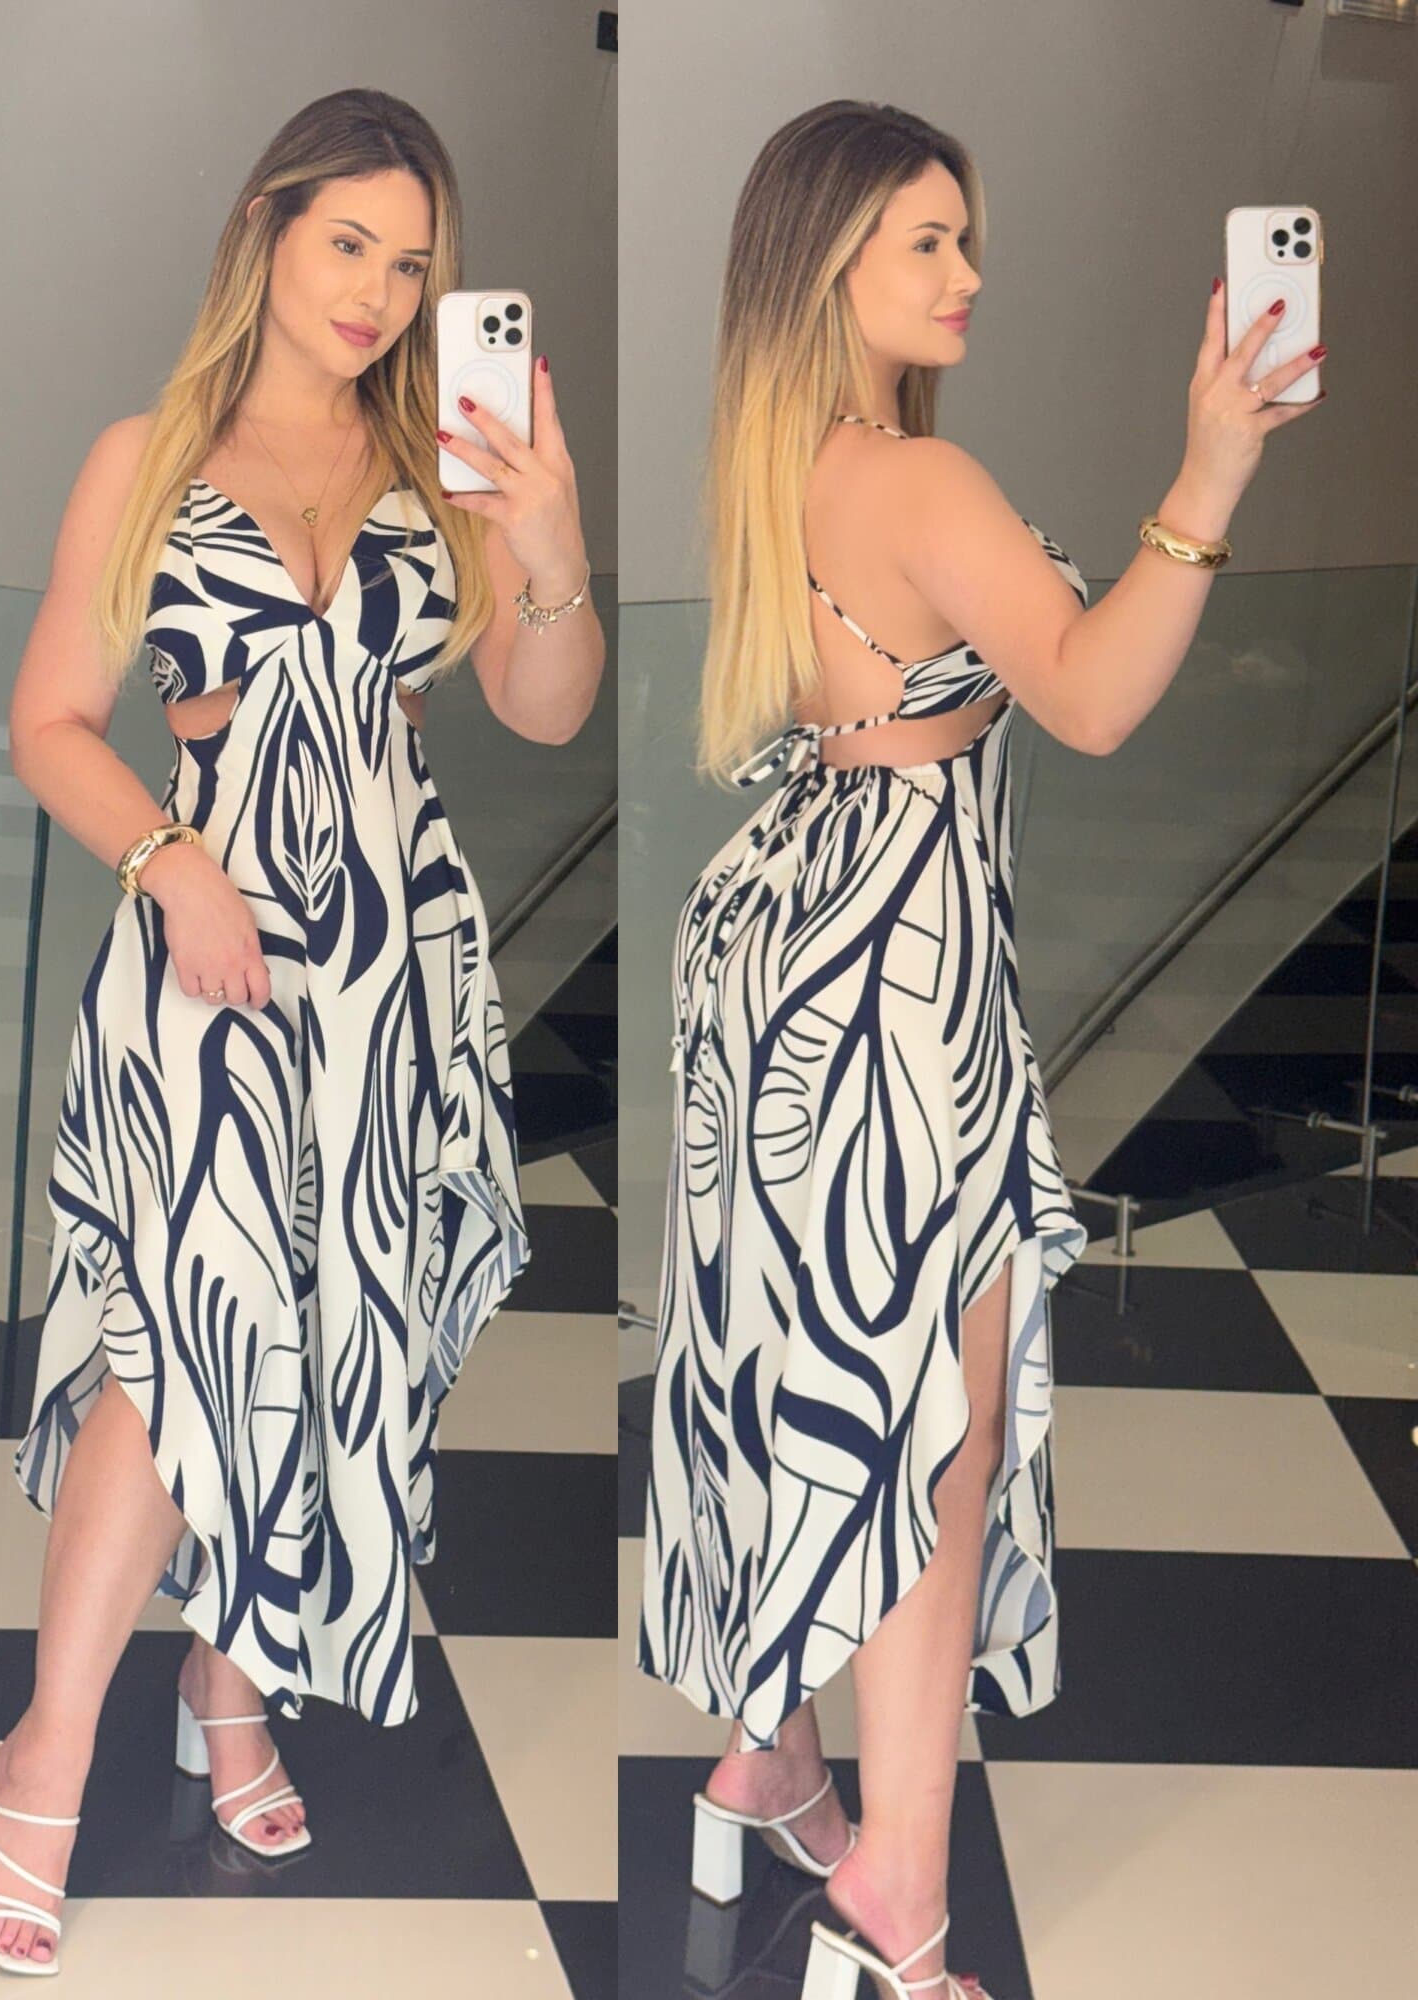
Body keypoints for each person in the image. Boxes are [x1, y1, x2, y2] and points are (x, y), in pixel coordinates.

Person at [634, 99, 1322, 2000]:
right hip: (897, 976)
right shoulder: (915, 478)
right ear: (829, 261)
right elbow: (1087, 697)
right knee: (938, 1430)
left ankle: (771, 1759)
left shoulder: (779, 465)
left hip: (788, 938)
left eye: (965, 237)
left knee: (806, 1374)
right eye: (928, 240)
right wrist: (1212, 469)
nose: (970, 274)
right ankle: (900, 1898)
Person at [0, 86, 603, 1976]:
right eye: (348, 244)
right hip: (210, 960)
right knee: (185, 1340)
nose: (378, 291)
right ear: (267, 231)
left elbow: (548, 706)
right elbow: (52, 719)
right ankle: (44, 1757)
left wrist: (546, 529)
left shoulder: (442, 465)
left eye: (412, 262)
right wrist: (173, 864)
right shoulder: (149, 458)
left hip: (392, 980)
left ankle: (227, 1692)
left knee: (325, 1341)